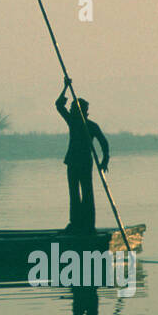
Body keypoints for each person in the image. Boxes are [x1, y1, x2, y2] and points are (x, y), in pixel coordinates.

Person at [55, 78, 110, 233]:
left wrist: (105, 161)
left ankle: (88, 225)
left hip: (84, 163)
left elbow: (104, 144)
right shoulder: (73, 121)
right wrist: (65, 87)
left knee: (86, 193)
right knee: (75, 193)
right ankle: (76, 224)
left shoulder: (89, 125)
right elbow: (59, 105)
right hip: (73, 162)